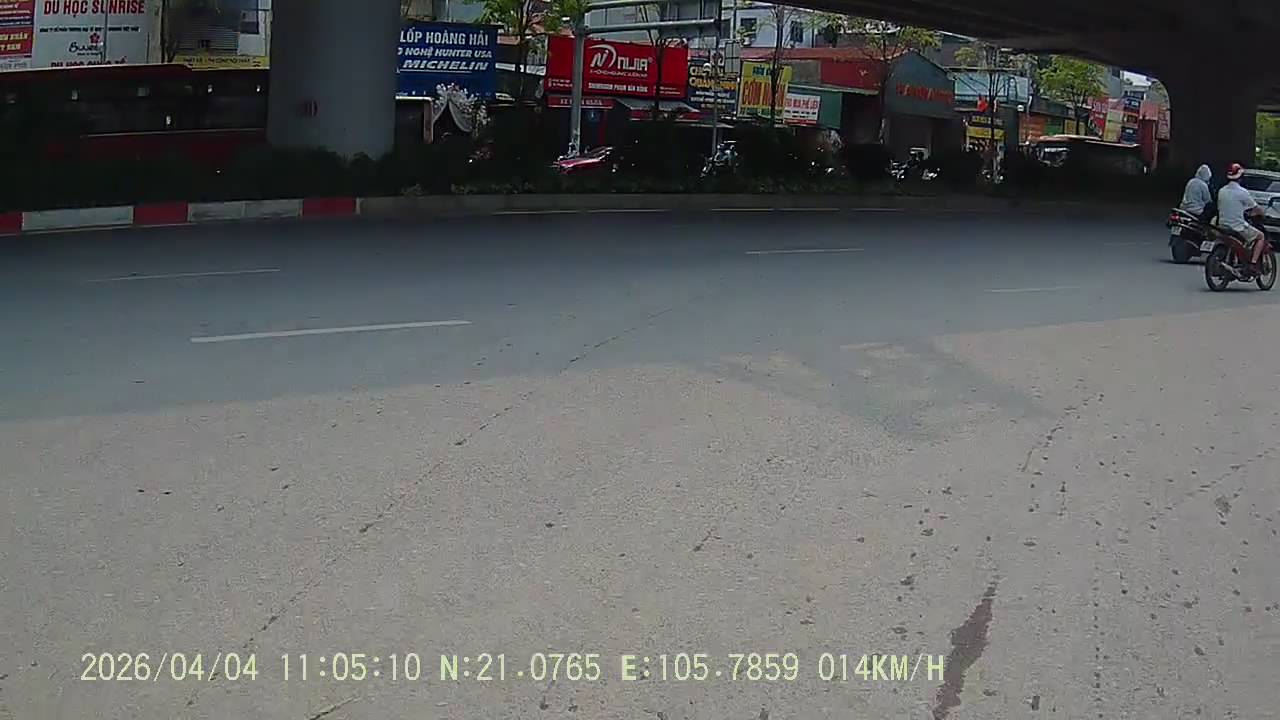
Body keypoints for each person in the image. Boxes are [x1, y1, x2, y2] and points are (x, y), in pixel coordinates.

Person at [1217, 163, 1266, 271]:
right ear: (1241, 178)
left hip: (1222, 225)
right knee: (1260, 236)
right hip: (1237, 226)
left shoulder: (1222, 190)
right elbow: (1256, 208)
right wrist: (1262, 214)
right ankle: (1253, 264)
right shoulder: (1242, 192)